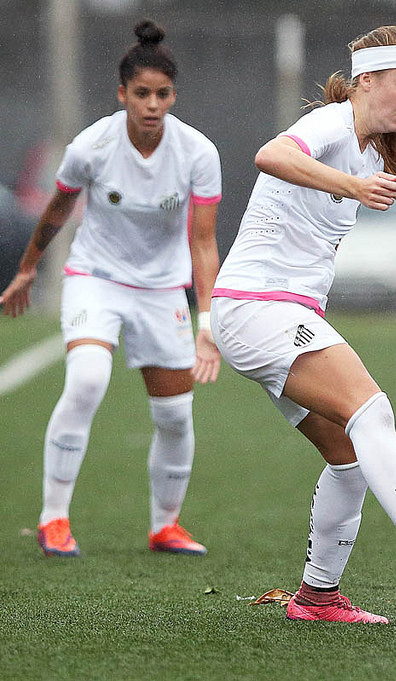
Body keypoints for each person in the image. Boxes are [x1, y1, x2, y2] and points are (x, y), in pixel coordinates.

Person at [210, 25, 396, 625]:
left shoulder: (368, 143)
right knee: (373, 412)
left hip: (269, 313)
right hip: (260, 308)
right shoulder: (334, 122)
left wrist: (359, 178)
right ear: (366, 81)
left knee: (348, 454)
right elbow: (271, 155)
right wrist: (353, 187)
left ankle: (317, 598)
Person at [0, 20, 222, 558]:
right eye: (141, 93)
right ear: (122, 94)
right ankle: (54, 520)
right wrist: (28, 269)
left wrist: (207, 324)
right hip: (95, 280)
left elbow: (203, 243)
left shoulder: (198, 153)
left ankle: (165, 526)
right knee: (87, 380)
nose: (152, 104)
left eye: (162, 94)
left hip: (162, 290)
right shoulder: (90, 146)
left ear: (174, 96)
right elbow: (55, 211)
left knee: (174, 415)